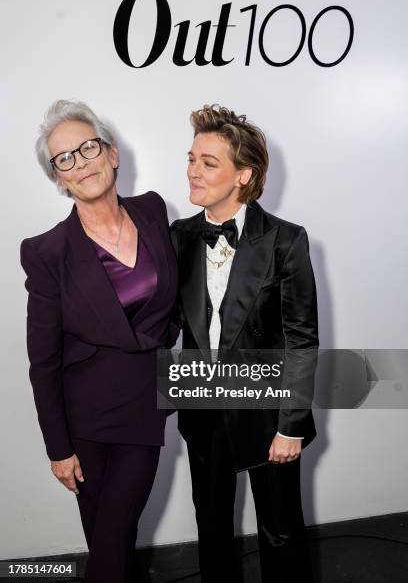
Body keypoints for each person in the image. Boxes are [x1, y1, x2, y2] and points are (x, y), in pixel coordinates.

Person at [20, 100, 178, 583]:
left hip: (144, 407)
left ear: (112, 154)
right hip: (84, 423)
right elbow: (42, 360)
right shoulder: (47, 252)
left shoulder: (153, 210)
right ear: (59, 179)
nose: (80, 162)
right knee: (110, 543)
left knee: (111, 541)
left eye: (88, 147)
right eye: (64, 158)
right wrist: (57, 447)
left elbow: (181, 299)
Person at [170, 104, 318, 582]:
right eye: (191, 158)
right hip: (204, 409)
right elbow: (167, 322)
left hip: (268, 411)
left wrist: (291, 426)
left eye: (208, 162)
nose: (193, 170)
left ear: (243, 175)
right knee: (211, 527)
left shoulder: (285, 241)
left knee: (280, 531)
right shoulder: (178, 237)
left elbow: (301, 339)